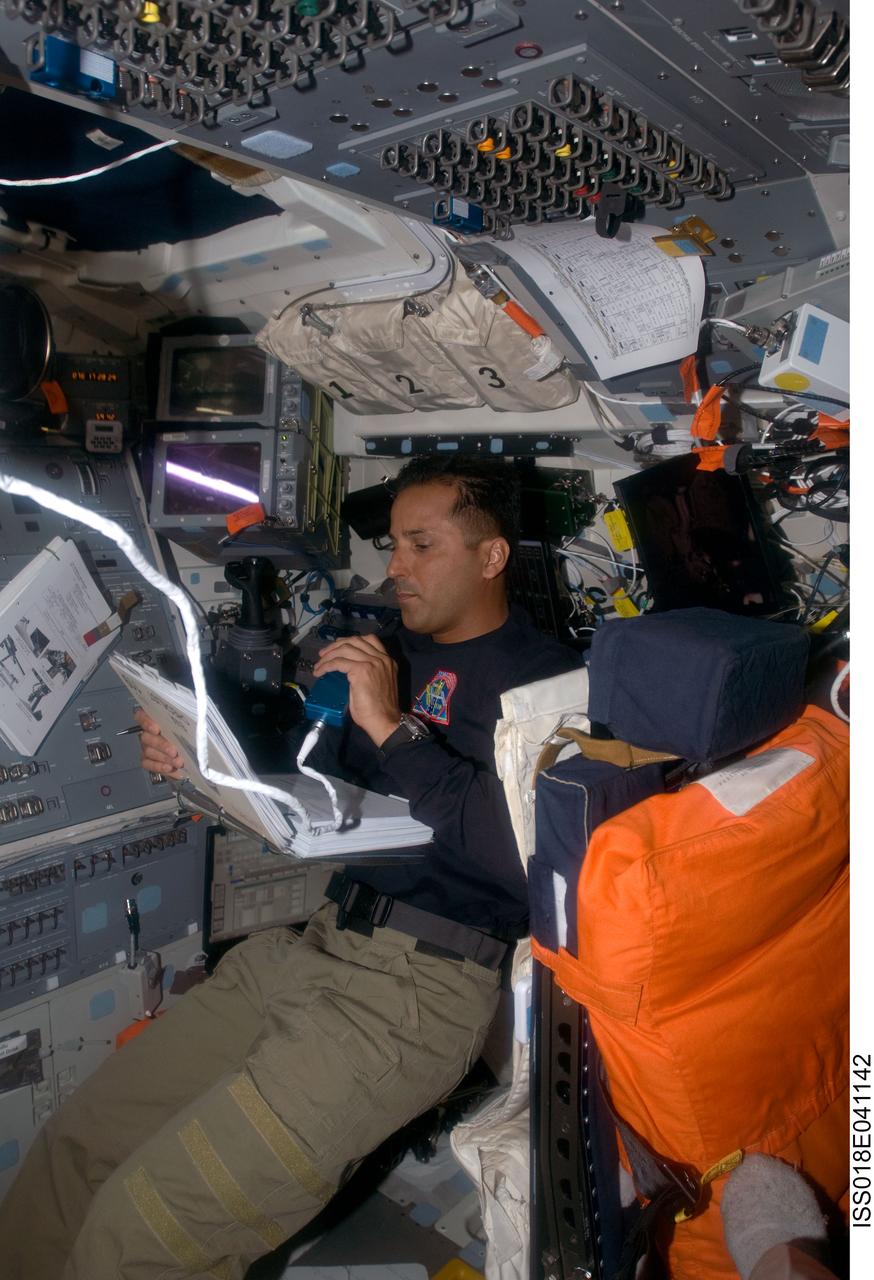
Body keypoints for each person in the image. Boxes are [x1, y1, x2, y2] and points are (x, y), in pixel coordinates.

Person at [0, 455, 580, 1280]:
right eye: (393, 544)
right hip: (305, 949)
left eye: (421, 546)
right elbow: (303, 785)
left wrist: (395, 728)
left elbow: (524, 858)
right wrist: (204, 763)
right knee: (75, 1151)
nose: (396, 567)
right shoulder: (382, 654)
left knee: (141, 1238)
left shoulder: (552, 686)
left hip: (409, 998)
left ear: (491, 556)